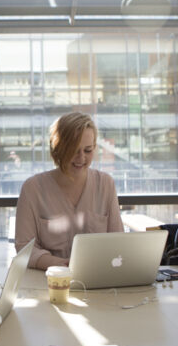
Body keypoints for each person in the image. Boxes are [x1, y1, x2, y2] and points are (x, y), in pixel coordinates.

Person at [14, 112, 123, 270]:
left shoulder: (105, 184)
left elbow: (117, 241)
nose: (81, 158)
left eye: (87, 150)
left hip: (98, 278)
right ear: (57, 149)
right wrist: (61, 265)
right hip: (48, 280)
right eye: (74, 150)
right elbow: (24, 248)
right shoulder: (32, 189)